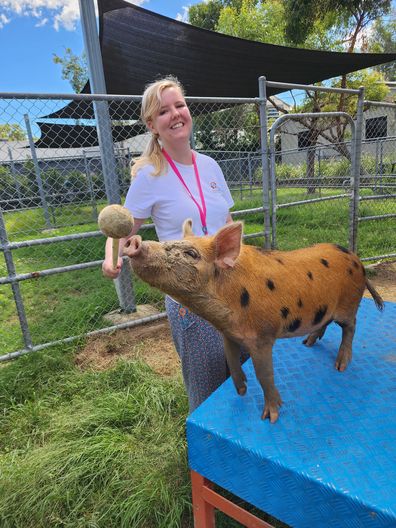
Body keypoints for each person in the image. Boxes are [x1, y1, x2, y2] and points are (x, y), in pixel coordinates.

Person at [102, 75, 244, 412]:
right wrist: (113, 258)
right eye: (164, 111)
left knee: (246, 370)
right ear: (152, 124)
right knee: (207, 387)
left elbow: (225, 224)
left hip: (232, 286)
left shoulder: (211, 166)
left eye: (180, 105)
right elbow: (123, 228)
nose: (176, 114)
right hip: (189, 293)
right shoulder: (149, 175)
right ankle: (207, 460)